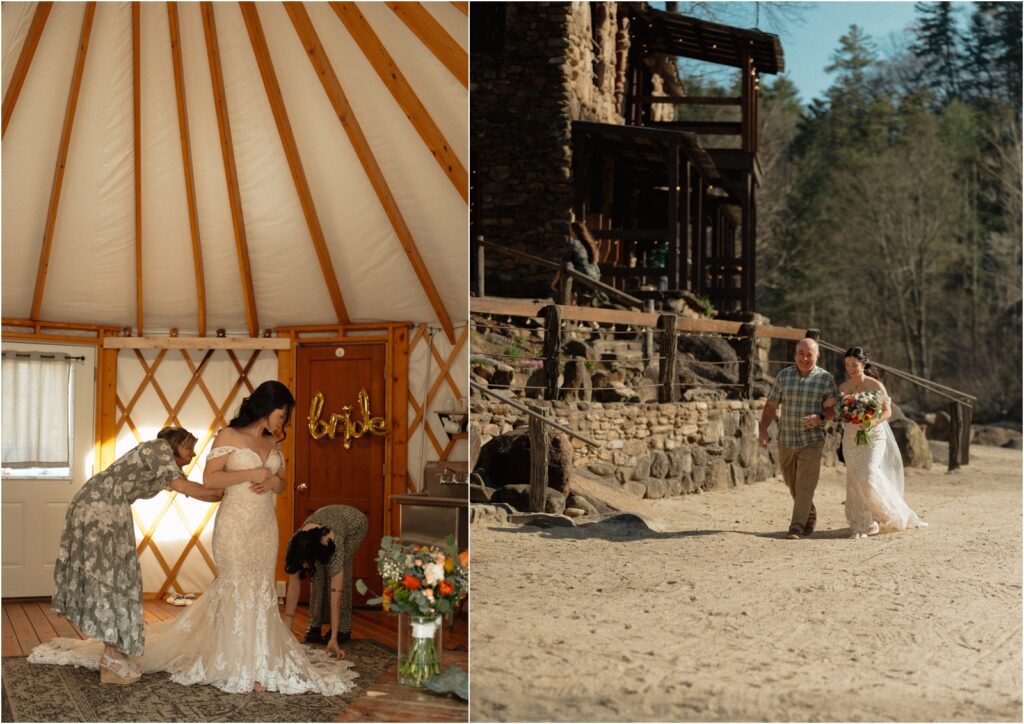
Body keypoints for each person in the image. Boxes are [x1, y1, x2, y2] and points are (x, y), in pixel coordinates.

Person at [30, 381, 358, 696]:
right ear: (269, 406)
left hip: (263, 526)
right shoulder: (220, 437)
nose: (283, 420)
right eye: (283, 413)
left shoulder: (273, 444)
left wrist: (272, 483)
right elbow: (208, 480)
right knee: (219, 585)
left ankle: (257, 659)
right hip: (221, 524)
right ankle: (225, 662)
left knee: (258, 589)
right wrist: (245, 479)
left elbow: (280, 484)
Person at [30, 428, 222, 684]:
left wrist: (221, 493)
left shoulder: (161, 466)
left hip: (109, 506)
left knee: (119, 577)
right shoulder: (159, 448)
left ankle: (113, 653)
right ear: (174, 444)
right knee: (114, 578)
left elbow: (186, 488)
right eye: (189, 447)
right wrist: (226, 493)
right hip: (101, 505)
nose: (193, 453)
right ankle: (111, 657)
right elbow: (187, 487)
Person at [828, 347, 927, 539]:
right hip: (851, 436)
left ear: (863, 364)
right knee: (855, 476)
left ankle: (886, 511)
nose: (850, 368)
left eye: (854, 365)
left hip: (873, 434)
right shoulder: (843, 388)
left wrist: (871, 422)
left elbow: (887, 412)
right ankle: (865, 522)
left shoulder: (875, 385)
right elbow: (840, 413)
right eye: (847, 365)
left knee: (869, 472)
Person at [759, 338, 838, 539]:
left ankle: (796, 526)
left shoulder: (826, 378)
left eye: (809, 354)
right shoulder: (783, 376)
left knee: (805, 485)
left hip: (812, 440)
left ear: (817, 356)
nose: (804, 358)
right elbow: (771, 405)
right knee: (792, 483)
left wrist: (820, 417)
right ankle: (808, 514)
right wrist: (763, 430)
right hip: (786, 439)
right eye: (801, 353)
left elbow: (833, 409)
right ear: (795, 354)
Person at [283, 505, 369, 659]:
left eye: (305, 563)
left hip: (355, 524)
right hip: (328, 517)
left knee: (339, 571)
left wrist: (334, 638)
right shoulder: (295, 545)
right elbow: (294, 588)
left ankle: (342, 629)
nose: (303, 567)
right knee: (317, 574)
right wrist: (287, 628)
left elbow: (336, 594)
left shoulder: (334, 543)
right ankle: (314, 625)